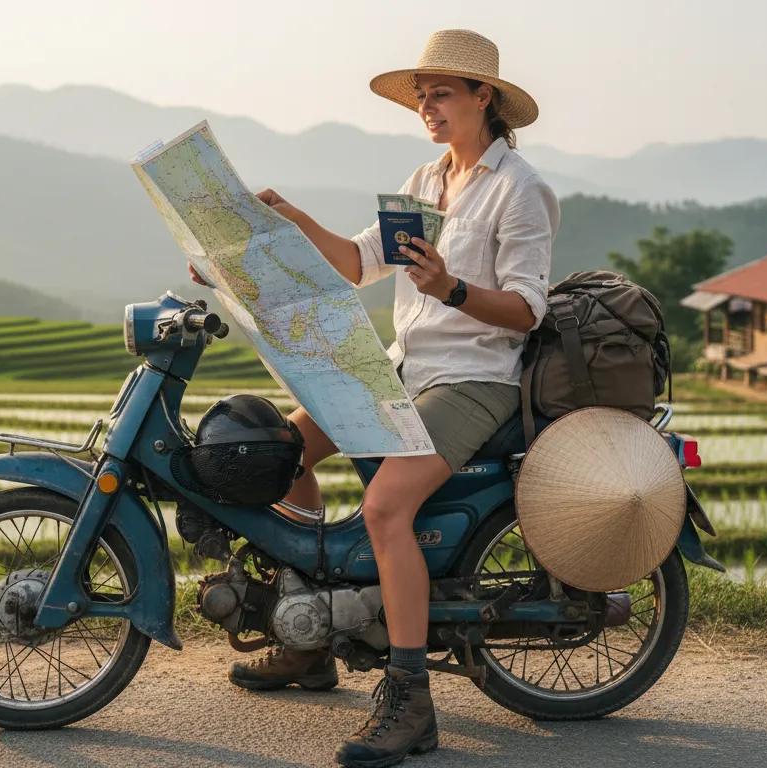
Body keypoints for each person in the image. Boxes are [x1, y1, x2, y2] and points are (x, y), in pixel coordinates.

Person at [189, 29, 557, 767]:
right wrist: (294, 223)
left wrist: (448, 285)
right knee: (284, 446)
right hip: (403, 368)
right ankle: (313, 643)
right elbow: (358, 262)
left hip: (474, 381)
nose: (426, 104)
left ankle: (411, 698)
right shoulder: (424, 182)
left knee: (388, 507)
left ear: (485, 97)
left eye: (441, 91)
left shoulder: (520, 189)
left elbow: (525, 310)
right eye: (421, 94)